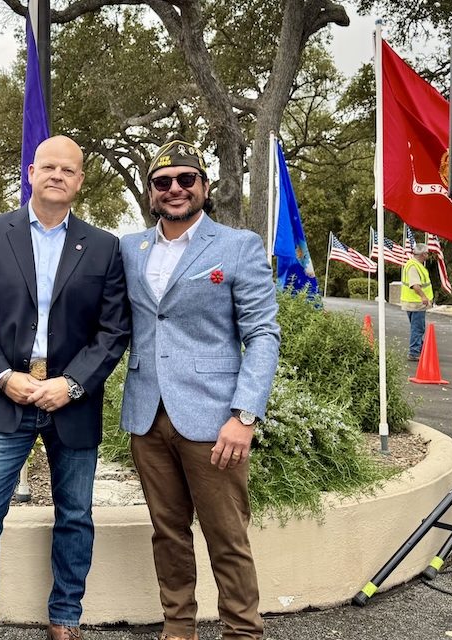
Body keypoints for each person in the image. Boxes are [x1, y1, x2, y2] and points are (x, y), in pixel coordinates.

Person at [0, 135, 131, 640]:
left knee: (75, 515)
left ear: (79, 181)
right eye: (48, 166)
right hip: (1, 396)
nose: (57, 175)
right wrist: (3, 376)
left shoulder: (104, 246)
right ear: (30, 172)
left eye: (68, 170)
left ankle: (66, 617)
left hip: (71, 402)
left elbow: (113, 330)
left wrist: (72, 384)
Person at [119, 140, 280, 640]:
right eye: (162, 182)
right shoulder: (130, 249)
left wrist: (244, 416)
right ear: (150, 194)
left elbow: (262, 334)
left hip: (214, 420)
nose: (174, 189)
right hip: (147, 416)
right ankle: (178, 628)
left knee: (227, 537)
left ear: (204, 188)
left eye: (186, 180)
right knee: (168, 534)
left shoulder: (237, 246)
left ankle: (242, 632)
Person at [401, 243, 433, 361]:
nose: (428, 255)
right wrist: (424, 297)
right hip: (416, 303)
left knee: (417, 327)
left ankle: (421, 348)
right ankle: (414, 352)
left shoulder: (414, 264)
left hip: (412, 302)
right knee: (418, 328)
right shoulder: (413, 266)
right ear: (423, 254)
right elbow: (415, 285)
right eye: (427, 253)